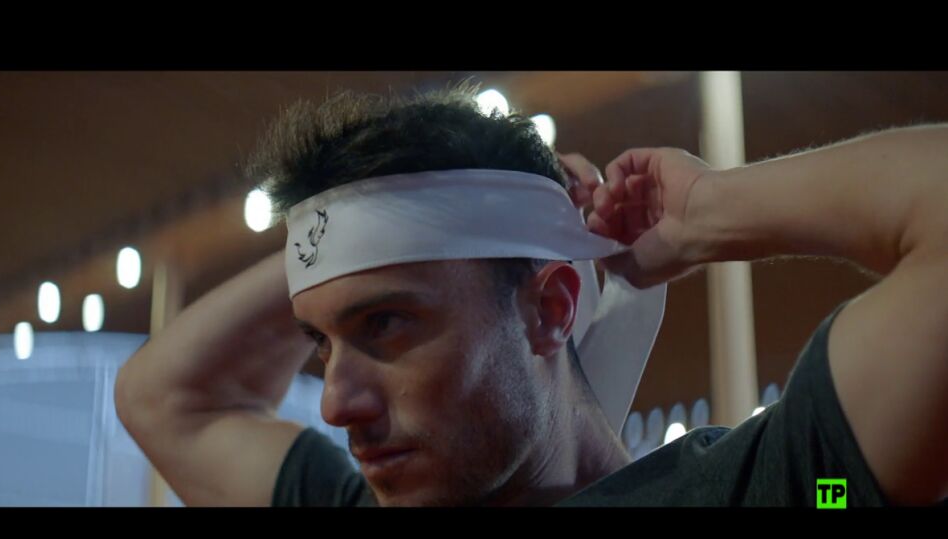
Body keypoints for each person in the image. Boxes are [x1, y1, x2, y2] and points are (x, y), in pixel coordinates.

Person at [116, 83, 948, 507]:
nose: (335, 403)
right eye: (320, 342)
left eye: (385, 323)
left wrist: (708, 213)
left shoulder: (763, 490)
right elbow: (161, 396)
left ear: (549, 310)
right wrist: (330, 236)